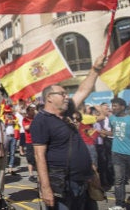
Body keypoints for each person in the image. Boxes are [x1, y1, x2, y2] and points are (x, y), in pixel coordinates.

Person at [32, 55, 105, 210]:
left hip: (84, 181)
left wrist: (95, 69)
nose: (67, 97)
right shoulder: (41, 120)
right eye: (63, 94)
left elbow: (83, 90)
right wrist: (45, 188)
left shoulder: (67, 113)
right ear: (49, 98)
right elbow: (39, 156)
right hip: (62, 184)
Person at [22, 104, 38, 183]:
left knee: (38, 158)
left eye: (33, 110)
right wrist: (35, 122)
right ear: (28, 111)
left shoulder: (36, 118)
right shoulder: (25, 119)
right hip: (29, 142)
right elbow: (26, 128)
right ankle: (31, 175)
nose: (33, 111)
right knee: (30, 159)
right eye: (31, 110)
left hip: (37, 141)